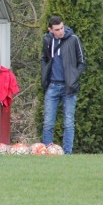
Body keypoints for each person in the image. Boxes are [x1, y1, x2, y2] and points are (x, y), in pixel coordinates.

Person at [41, 15, 86, 155]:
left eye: (62, 27)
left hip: (68, 87)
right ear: (50, 30)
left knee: (68, 122)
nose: (61, 31)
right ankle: (47, 151)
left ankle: (67, 153)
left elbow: (82, 62)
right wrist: (44, 77)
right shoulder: (47, 40)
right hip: (52, 86)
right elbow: (44, 59)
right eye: (57, 29)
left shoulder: (73, 39)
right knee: (48, 122)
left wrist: (73, 78)